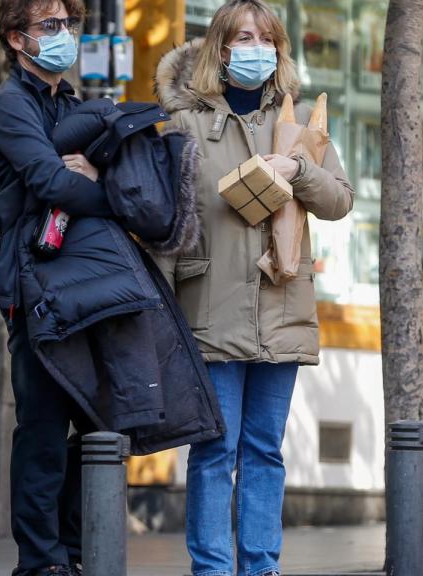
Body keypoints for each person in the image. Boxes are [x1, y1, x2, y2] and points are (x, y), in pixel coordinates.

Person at [153, 1, 355, 574]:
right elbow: (163, 224)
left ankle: (261, 566)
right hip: (209, 309)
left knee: (264, 451)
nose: (255, 49)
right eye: (243, 37)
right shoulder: (186, 124)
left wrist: (299, 172)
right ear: (220, 47)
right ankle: (213, 570)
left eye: (266, 39)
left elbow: (339, 200)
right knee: (216, 451)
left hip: (282, 307)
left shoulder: (295, 123)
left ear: (279, 51)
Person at [0, 0, 105, 574]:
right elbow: (51, 179)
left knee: (95, 424)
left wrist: (96, 176)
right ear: (15, 38)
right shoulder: (8, 106)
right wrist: (106, 191)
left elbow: (110, 165)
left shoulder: (69, 104)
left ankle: (74, 554)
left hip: (79, 282)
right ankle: (41, 561)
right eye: (49, 26)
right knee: (44, 427)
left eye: (69, 24)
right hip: (31, 289)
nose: (64, 35)